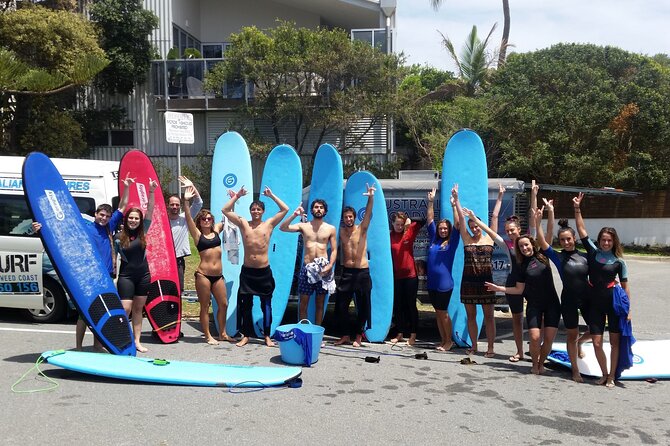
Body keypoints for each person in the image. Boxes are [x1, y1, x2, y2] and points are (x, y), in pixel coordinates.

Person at [31, 185, 130, 352]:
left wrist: (126, 187)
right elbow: (60, 228)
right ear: (95, 214)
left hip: (105, 277)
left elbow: (123, 206)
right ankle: (78, 346)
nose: (104, 218)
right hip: (89, 276)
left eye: (106, 216)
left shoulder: (109, 226)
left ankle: (97, 345)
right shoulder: (85, 227)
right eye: (101, 215)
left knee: (102, 312)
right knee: (84, 314)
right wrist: (39, 229)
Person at [484, 212, 562, 375]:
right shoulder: (519, 261)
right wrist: (499, 289)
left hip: (551, 302)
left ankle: (540, 360)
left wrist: (548, 212)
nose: (524, 248)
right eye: (508, 230)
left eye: (513, 230)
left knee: (547, 336)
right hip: (528, 295)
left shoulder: (542, 255)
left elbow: (545, 231)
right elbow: (493, 233)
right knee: (527, 329)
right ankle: (528, 356)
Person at [573, 192, 630, 388]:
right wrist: (577, 207)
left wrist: (628, 311)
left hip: (613, 303)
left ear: (614, 242)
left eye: (609, 240)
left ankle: (612, 376)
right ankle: (604, 374)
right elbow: (581, 230)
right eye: (604, 240)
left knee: (614, 343)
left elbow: (625, 287)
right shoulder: (593, 252)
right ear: (599, 240)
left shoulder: (620, 262)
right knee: (597, 341)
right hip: (595, 303)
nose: (606, 243)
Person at [222, 185, 290, 347]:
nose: (256, 211)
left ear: (263, 211)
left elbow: (285, 209)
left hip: (263, 272)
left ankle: (267, 335)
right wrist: (237, 196)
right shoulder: (244, 224)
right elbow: (225, 210)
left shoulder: (269, 224)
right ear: (250, 211)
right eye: (253, 209)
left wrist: (272, 195)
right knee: (246, 305)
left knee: (266, 305)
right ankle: (246, 335)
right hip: (247, 272)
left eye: (259, 209)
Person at [535, 200, 589, 382]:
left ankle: (582, 341)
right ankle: (575, 370)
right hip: (569, 300)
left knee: (596, 332)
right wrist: (541, 219)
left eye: (569, 239)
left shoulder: (585, 256)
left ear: (574, 239)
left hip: (588, 299)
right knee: (572, 334)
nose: (566, 242)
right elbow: (542, 242)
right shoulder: (558, 257)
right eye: (563, 239)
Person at [451, 185, 497, 357]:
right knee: (471, 316)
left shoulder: (489, 239)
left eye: (476, 226)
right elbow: (461, 222)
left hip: (486, 283)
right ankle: (474, 346)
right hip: (468, 283)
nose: (474, 229)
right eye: (472, 227)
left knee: (489, 317)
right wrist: (456, 200)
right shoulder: (467, 239)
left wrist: (499, 198)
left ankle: (491, 348)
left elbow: (495, 218)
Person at [183, 187, 232, 345]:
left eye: (209, 219)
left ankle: (222, 333)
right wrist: (186, 200)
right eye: (204, 219)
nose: (207, 221)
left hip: (218, 276)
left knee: (223, 304)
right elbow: (189, 218)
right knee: (205, 306)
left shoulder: (217, 230)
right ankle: (208, 335)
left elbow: (228, 218)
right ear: (200, 221)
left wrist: (234, 199)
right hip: (203, 275)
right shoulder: (197, 235)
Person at [115, 176, 157, 353]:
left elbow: (150, 211)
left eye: (136, 218)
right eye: (131, 218)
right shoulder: (118, 237)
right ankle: (120, 340)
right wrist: (126, 188)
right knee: (125, 309)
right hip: (126, 277)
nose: (133, 220)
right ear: (126, 219)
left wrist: (152, 191)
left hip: (143, 276)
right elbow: (121, 206)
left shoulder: (143, 232)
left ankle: (137, 341)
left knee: (139, 309)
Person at [280, 199, 337, 327]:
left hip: (324, 268)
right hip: (307, 268)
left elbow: (334, 250)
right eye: (316, 207)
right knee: (303, 304)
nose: (318, 209)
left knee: (320, 303)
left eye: (321, 207)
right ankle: (304, 331)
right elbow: (283, 227)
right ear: (312, 210)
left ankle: (318, 333)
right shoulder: (304, 226)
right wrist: (294, 215)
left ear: (325, 211)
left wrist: (329, 266)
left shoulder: (330, 228)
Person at [334, 183, 375, 348]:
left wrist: (371, 197)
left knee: (364, 306)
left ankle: (358, 335)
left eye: (351, 217)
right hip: (347, 273)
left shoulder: (362, 229)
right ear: (343, 219)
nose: (348, 219)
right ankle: (345, 335)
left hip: (362, 272)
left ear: (354, 217)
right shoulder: (341, 232)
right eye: (346, 217)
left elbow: (369, 213)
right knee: (341, 306)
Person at [492, 184, 528, 363]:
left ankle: (540, 349)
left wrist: (534, 195)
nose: (509, 232)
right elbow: (492, 225)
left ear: (519, 229)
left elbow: (536, 219)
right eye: (507, 231)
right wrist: (499, 197)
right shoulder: (507, 246)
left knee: (541, 318)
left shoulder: (529, 241)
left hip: (533, 284)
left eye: (512, 230)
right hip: (513, 282)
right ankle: (520, 351)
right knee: (517, 320)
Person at [425, 186, 460, 351]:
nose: (443, 230)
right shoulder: (434, 239)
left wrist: (454, 205)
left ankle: (449, 341)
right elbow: (430, 219)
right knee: (438, 313)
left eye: (445, 228)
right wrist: (430, 201)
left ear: (449, 230)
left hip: (444, 284)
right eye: (441, 228)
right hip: (432, 283)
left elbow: (459, 225)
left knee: (443, 312)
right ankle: (443, 340)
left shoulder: (452, 242)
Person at [389, 210, 424, 346]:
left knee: (410, 306)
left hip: (410, 276)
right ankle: (400, 333)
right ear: (392, 224)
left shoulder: (409, 231)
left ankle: (413, 334)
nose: (399, 226)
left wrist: (409, 220)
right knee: (398, 306)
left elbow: (423, 219)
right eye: (397, 224)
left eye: (401, 224)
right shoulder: (390, 236)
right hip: (397, 277)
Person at [167, 176, 202, 294]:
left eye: (177, 205)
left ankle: (177, 312)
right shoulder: (163, 220)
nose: (175, 207)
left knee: (178, 289)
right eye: (172, 204)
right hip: (164, 260)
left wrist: (191, 186)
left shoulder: (185, 218)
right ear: (168, 205)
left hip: (178, 260)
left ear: (180, 206)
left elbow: (198, 203)